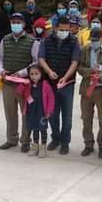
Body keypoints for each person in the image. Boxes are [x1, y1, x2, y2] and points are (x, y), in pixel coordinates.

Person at [0, 12, 39, 152]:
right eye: (13, 22)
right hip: (7, 83)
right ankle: (11, 139)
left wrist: (21, 72)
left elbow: (36, 62)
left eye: (18, 22)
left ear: (24, 24)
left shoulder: (33, 41)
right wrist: (1, 70)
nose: (15, 24)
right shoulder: (5, 39)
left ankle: (25, 140)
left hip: (23, 84)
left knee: (25, 113)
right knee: (10, 113)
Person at [38, 16, 81, 154]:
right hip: (50, 83)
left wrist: (65, 77)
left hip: (67, 83)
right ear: (55, 28)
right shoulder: (46, 40)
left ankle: (65, 142)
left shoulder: (74, 41)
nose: (64, 32)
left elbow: (74, 62)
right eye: (61, 29)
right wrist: (49, 72)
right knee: (52, 113)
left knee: (67, 115)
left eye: (67, 30)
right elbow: (41, 58)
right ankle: (55, 138)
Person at [78, 28, 102, 158]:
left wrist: (100, 77)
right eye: (91, 40)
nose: (93, 42)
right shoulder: (85, 50)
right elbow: (79, 67)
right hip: (87, 88)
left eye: (95, 40)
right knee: (86, 119)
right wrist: (90, 71)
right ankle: (88, 144)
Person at [24, 64, 55, 159]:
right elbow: (20, 91)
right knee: (35, 129)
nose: (34, 76)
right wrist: (23, 83)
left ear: (41, 74)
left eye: (36, 74)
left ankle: (43, 147)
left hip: (42, 112)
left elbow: (51, 98)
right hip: (32, 111)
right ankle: (35, 147)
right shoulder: (28, 84)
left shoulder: (45, 84)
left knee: (43, 129)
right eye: (31, 74)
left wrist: (49, 111)